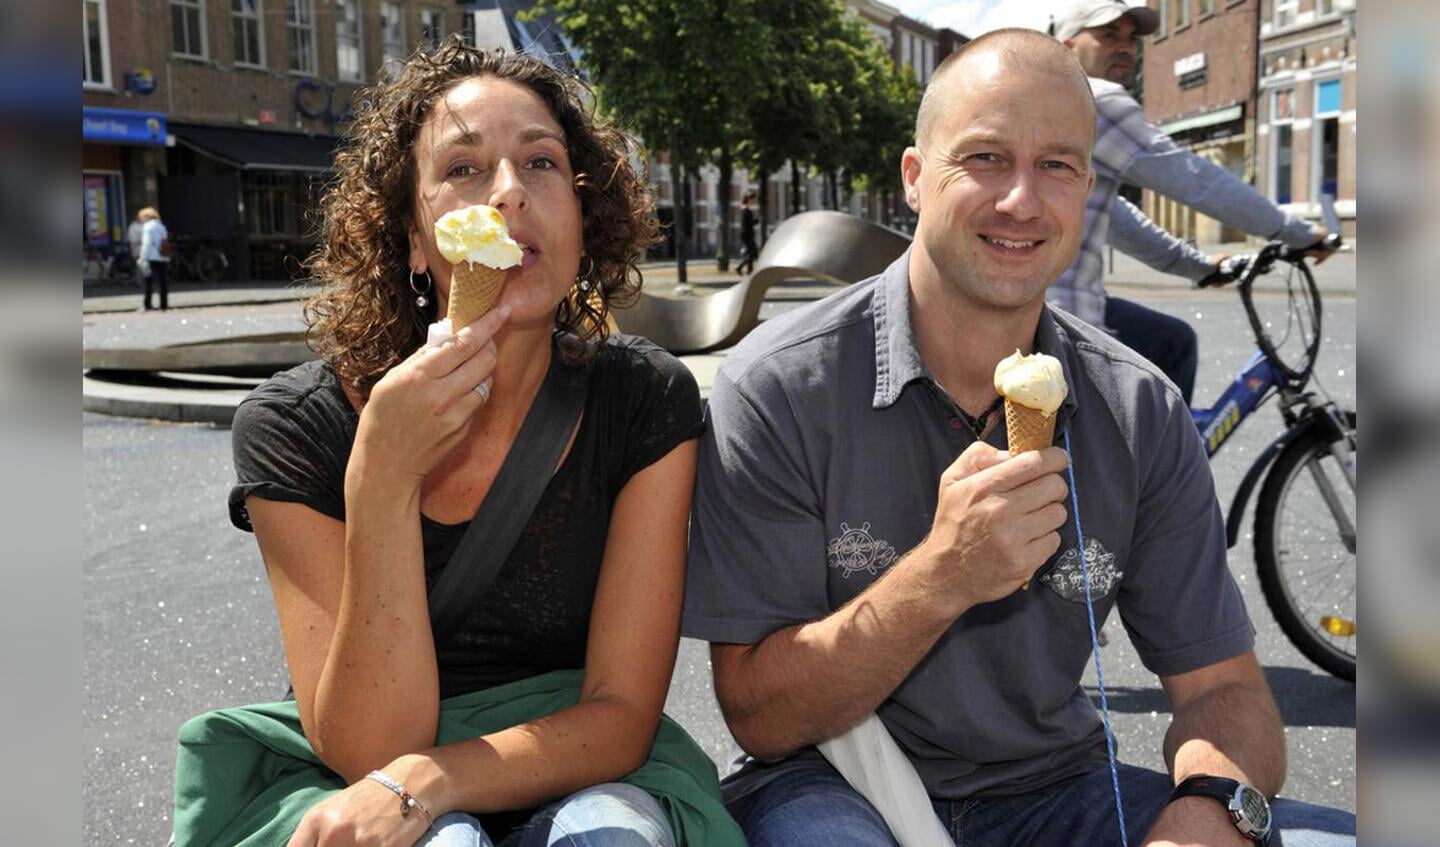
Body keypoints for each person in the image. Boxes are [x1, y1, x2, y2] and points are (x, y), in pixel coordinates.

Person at [682, 29, 1356, 847]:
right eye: (986, 159)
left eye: (1058, 167)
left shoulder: (1137, 405)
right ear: (915, 180)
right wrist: (941, 576)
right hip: (831, 781)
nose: (1022, 201)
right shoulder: (782, 385)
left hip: (1053, 785)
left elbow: (1222, 689)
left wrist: (1207, 811)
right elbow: (760, 713)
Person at [218, 38, 732, 847]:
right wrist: (381, 475)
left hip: (574, 759)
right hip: (367, 772)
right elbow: (369, 749)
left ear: (583, 221)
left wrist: (440, 775)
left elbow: (622, 715)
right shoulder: (295, 426)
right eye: (463, 170)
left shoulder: (645, 399)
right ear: (416, 241)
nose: (508, 194)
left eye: (542, 164)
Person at [1048, 0, 1331, 404]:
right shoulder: (1096, 99)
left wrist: (1196, 266)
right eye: (1109, 35)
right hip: (1063, 314)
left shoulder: (1052, 102)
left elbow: (1111, 216)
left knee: (1172, 341)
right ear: (1068, 46)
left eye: (1131, 38)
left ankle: (1150, 459)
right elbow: (1192, 179)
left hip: (1039, 305)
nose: (1126, 47)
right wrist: (1297, 232)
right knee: (1170, 349)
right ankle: (1161, 465)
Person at [136, 206, 170, 310]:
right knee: (162, 282)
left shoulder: (147, 227)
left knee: (147, 281)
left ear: (147, 216)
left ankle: (147, 304)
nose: (141, 219)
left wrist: (142, 258)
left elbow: (147, 244)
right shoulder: (161, 226)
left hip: (151, 257)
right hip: (162, 257)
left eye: (142, 217)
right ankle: (164, 305)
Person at [736, 190, 759, 276]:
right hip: (747, 235)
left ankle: (747, 270)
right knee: (752, 253)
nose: (754, 201)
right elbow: (748, 223)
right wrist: (756, 221)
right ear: (749, 199)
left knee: (752, 253)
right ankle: (744, 269)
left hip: (747, 234)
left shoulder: (745, 209)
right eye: (753, 199)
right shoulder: (745, 210)